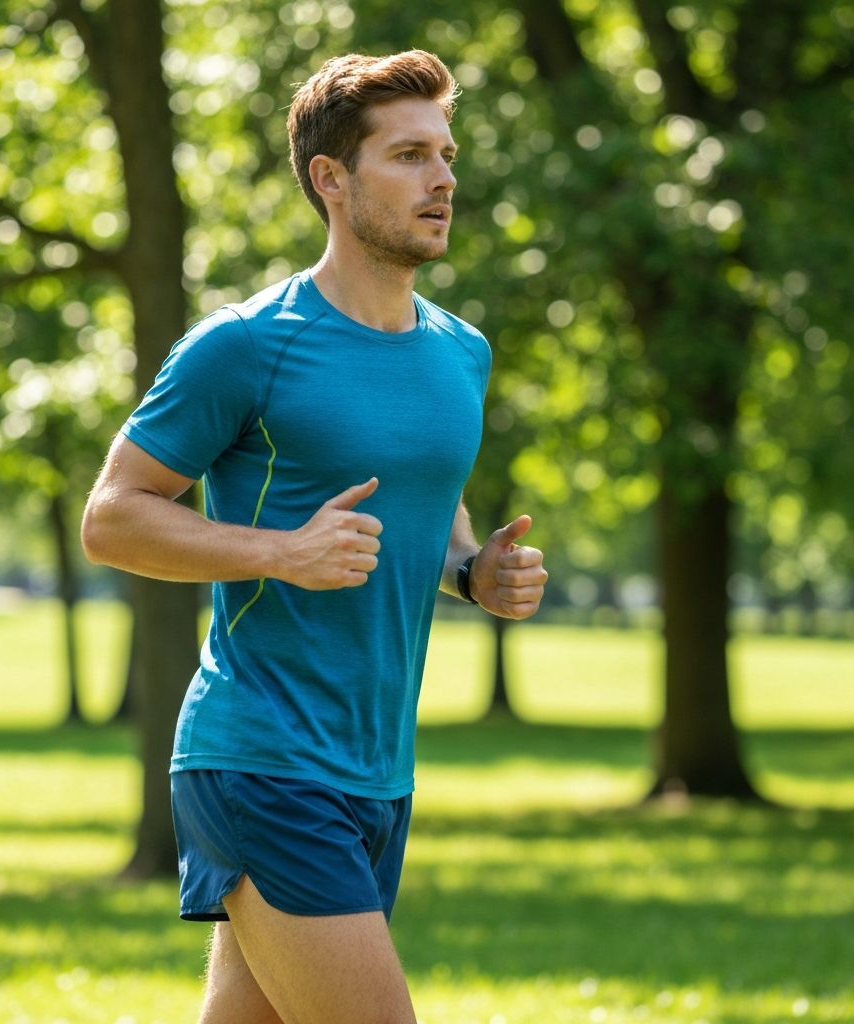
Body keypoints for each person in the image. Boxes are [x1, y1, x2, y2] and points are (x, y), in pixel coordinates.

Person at [81, 49, 548, 1024]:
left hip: (376, 767)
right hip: (262, 753)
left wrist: (473, 572)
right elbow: (112, 515)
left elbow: (434, 505)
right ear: (330, 179)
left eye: (448, 153)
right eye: (410, 155)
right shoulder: (247, 344)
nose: (445, 179)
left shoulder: (461, 352)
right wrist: (275, 551)